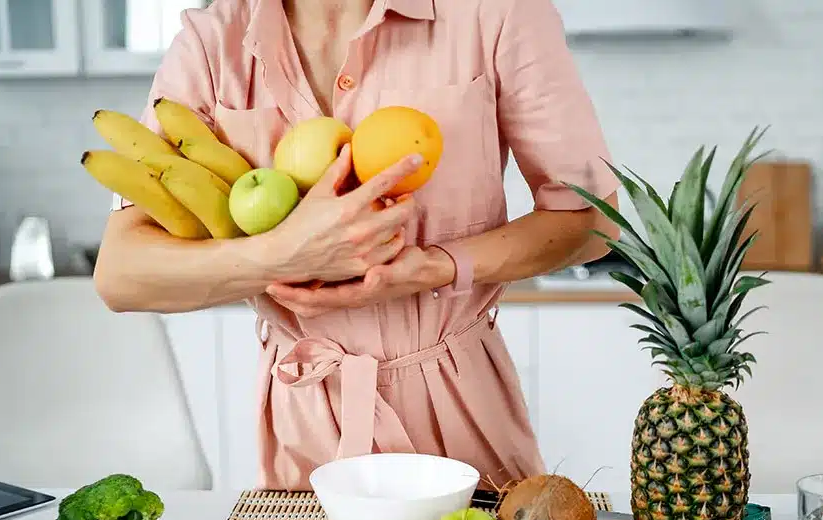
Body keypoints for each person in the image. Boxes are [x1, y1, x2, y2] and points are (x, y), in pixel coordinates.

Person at [94, 0, 621, 491]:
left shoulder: (496, 12)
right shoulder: (212, 44)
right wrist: (285, 255)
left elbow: (593, 220)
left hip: (460, 411)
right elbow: (120, 274)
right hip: (303, 430)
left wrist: (437, 267)